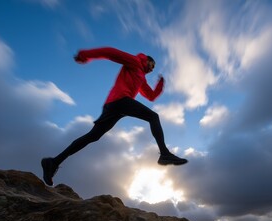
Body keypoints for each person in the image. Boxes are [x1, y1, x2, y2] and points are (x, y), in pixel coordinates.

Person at [41, 47, 188, 186]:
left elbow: (150, 96)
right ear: (147, 60)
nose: (152, 69)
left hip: (115, 107)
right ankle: (164, 154)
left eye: (154, 68)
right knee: (153, 117)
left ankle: (53, 162)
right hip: (120, 101)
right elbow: (110, 52)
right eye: (152, 65)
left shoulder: (141, 78)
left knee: (93, 136)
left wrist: (160, 84)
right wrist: (85, 54)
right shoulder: (135, 61)